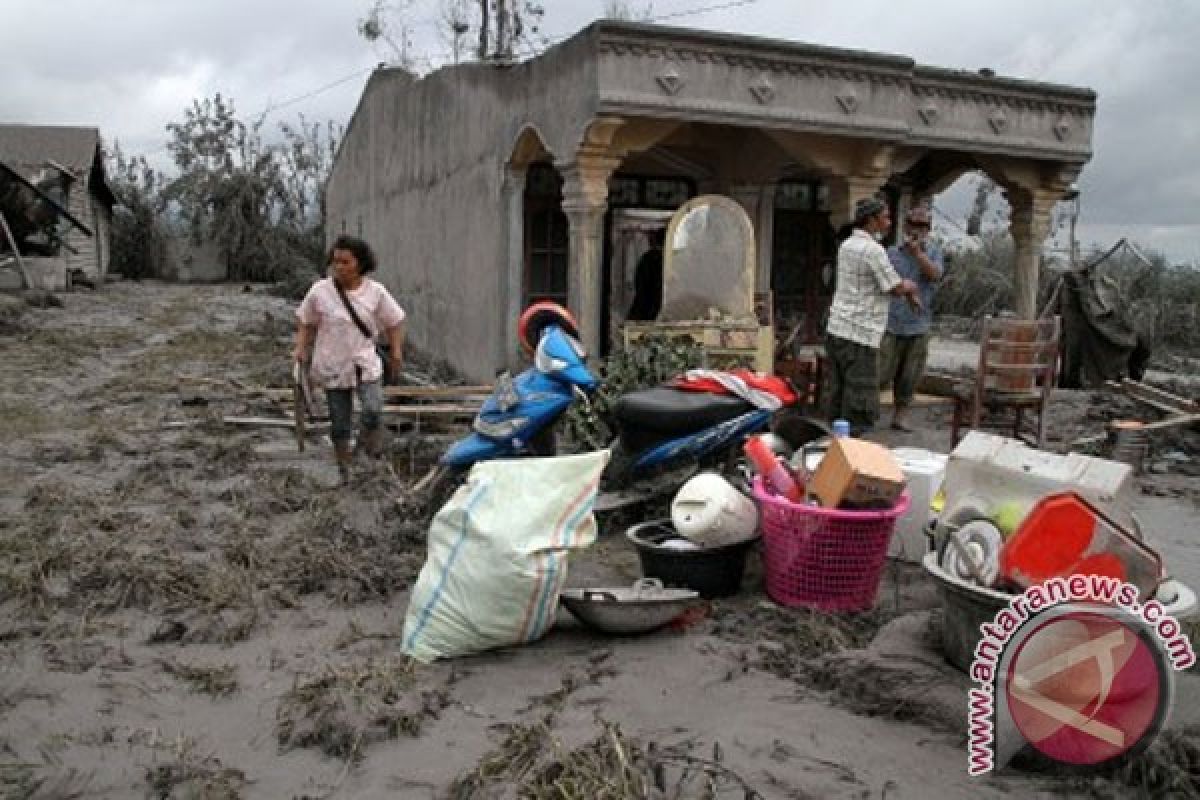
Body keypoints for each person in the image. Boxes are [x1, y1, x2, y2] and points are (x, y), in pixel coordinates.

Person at [293, 235, 406, 481]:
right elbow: (305, 320)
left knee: (373, 410)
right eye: (336, 262)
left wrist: (396, 351)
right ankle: (344, 468)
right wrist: (300, 348)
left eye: (345, 262)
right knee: (340, 422)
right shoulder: (320, 291)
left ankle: (364, 451)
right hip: (332, 363)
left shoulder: (376, 292)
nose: (339, 267)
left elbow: (395, 321)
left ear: (360, 263)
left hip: (364, 362)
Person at [823, 196, 920, 435]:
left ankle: (834, 444)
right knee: (858, 399)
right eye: (885, 217)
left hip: (838, 328)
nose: (888, 222)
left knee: (839, 391)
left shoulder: (846, 246)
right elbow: (894, 286)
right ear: (871, 220)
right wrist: (910, 287)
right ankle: (852, 448)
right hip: (861, 333)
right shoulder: (873, 250)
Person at [879, 205, 944, 431]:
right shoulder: (891, 253)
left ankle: (901, 415)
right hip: (891, 322)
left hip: (919, 323)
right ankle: (870, 411)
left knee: (910, 375)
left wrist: (919, 255)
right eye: (914, 225)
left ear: (928, 229)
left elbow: (935, 275)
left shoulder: (934, 252)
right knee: (881, 370)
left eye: (922, 226)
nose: (917, 230)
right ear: (906, 226)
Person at [627, 227, 665, 321]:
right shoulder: (654, 258)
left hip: (646, 307)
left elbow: (640, 283)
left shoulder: (648, 258)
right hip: (651, 306)